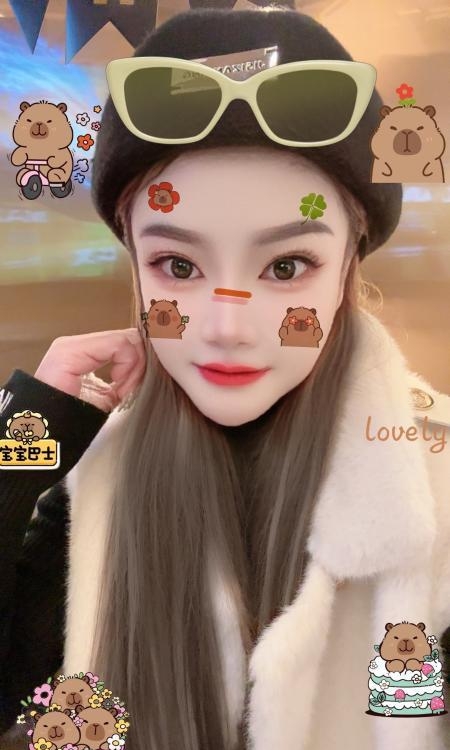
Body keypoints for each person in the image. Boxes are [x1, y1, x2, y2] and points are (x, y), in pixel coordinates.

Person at [0, 7, 449, 750]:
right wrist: (26, 441)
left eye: (287, 265)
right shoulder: (95, 482)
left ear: (349, 263)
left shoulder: (433, 485)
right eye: (177, 265)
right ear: (135, 267)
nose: (227, 326)